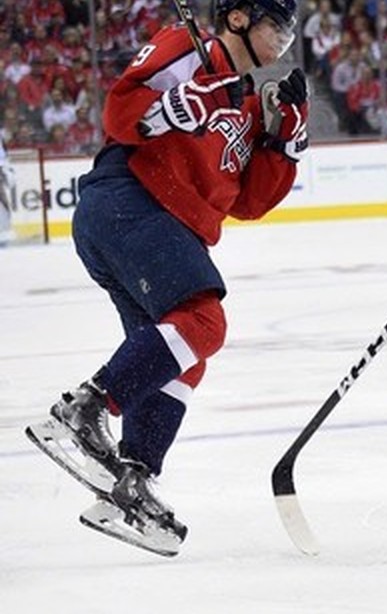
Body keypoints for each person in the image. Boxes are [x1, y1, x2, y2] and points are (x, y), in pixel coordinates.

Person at [24, 0, 305, 556]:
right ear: (240, 18)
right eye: (277, 24)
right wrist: (183, 102)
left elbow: (245, 201)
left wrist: (283, 142)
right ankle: (83, 409)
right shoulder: (188, 46)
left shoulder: (245, 100)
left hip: (162, 223)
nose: (285, 40)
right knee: (204, 321)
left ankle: (131, 483)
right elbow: (120, 112)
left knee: (186, 354)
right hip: (129, 201)